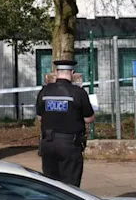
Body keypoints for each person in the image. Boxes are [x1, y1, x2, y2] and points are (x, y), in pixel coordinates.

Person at [35, 59, 94, 187]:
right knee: (70, 185)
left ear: (56, 72)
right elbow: (89, 118)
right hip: (70, 145)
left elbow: (39, 117)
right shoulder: (78, 92)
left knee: (51, 185)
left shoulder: (44, 92)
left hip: (48, 144)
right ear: (72, 73)